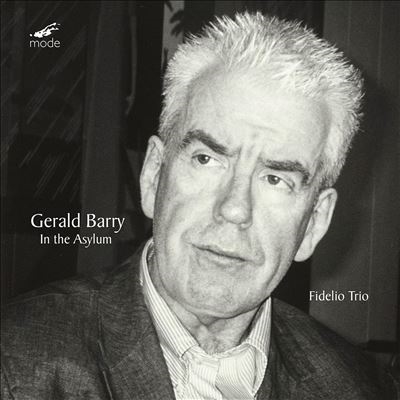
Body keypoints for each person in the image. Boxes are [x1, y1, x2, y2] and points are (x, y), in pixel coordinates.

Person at [1, 12, 397, 400]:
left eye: (275, 179)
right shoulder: (16, 365)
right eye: (206, 159)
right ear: (153, 175)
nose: (234, 209)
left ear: (313, 223)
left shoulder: (361, 388)